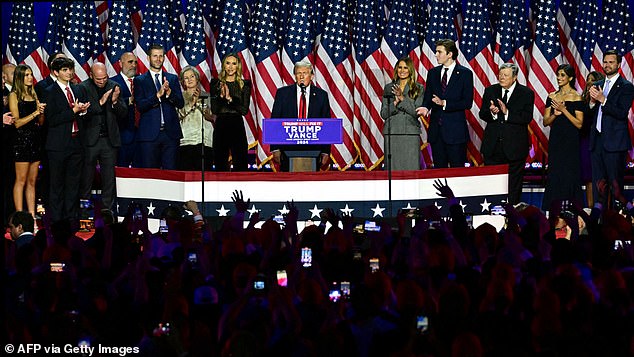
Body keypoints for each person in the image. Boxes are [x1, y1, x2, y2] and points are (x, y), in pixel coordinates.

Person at [43, 57, 90, 224]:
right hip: (58, 145)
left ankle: (71, 218)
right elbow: (52, 119)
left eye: (70, 69)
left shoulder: (78, 89)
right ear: (56, 72)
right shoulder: (49, 91)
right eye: (64, 70)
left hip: (76, 143)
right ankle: (56, 221)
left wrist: (82, 112)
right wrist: (74, 111)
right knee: (57, 185)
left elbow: (83, 115)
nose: (69, 72)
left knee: (73, 184)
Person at [479, 63, 535, 205]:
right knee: (491, 184)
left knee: (514, 186)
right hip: (493, 147)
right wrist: (492, 112)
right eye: (500, 74)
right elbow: (482, 114)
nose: (501, 77)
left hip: (514, 148)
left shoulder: (526, 93)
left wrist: (507, 113)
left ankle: (512, 216)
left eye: (505, 75)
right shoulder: (491, 90)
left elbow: (526, 117)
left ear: (514, 77)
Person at [77, 62, 127, 212]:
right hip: (90, 140)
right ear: (91, 75)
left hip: (109, 140)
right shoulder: (82, 88)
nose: (102, 81)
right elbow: (82, 115)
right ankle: (84, 211)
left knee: (109, 179)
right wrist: (101, 102)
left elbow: (123, 114)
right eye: (98, 79)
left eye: (104, 78)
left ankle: (106, 212)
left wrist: (114, 101)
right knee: (86, 177)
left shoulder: (114, 86)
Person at [416, 39, 473, 168]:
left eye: (439, 52)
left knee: (456, 172)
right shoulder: (433, 73)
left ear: (450, 54)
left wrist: (445, 103)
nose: (436, 54)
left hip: (455, 133)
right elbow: (428, 96)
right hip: (437, 133)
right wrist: (425, 107)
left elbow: (467, 102)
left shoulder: (465, 74)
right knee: (439, 171)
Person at [588, 50, 634, 208]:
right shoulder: (597, 85)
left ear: (619, 65)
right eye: (605, 62)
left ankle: (621, 219)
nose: (607, 65)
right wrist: (593, 103)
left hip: (615, 144)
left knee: (616, 188)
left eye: (611, 62)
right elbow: (591, 114)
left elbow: (621, 113)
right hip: (597, 142)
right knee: (599, 187)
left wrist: (603, 100)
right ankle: (598, 222)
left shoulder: (626, 87)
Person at [271, 60, 331, 172]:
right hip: (287, 148)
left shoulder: (321, 96)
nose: (301, 76)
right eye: (299, 73)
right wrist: (275, 148)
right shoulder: (283, 94)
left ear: (312, 76)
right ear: (295, 76)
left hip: (313, 148)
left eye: (305, 73)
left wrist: (325, 151)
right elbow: (275, 120)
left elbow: (326, 124)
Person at [541, 64, 584, 211]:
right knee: (555, 172)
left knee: (569, 173)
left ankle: (572, 209)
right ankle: (553, 208)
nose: (559, 78)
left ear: (570, 78)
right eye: (558, 75)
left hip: (571, 140)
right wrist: (555, 114)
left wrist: (564, 110)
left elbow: (579, 124)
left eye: (562, 75)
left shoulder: (576, 97)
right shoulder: (552, 96)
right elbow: (545, 122)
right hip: (556, 140)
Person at [134, 44, 184, 169]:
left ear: (164, 58)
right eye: (155, 56)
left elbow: (180, 103)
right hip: (149, 135)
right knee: (151, 175)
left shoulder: (172, 79)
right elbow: (140, 106)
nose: (158, 59)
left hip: (170, 134)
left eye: (161, 56)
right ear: (148, 58)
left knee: (171, 174)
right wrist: (157, 95)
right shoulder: (140, 80)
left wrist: (169, 93)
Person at [8, 64, 46, 217]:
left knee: (32, 181)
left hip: (35, 140)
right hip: (21, 141)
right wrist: (35, 112)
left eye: (31, 74)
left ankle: (31, 216)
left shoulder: (34, 93)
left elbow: (41, 122)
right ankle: (19, 217)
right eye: (27, 75)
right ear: (19, 77)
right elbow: (16, 123)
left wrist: (41, 113)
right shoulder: (14, 95)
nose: (30, 78)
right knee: (21, 180)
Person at [380, 57, 425, 171]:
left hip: (410, 134)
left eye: (405, 67)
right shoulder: (389, 88)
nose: (402, 70)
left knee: (411, 170)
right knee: (393, 171)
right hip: (392, 133)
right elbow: (384, 113)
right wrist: (395, 103)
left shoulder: (418, 88)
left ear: (410, 70)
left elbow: (416, 112)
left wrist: (402, 98)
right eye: (400, 67)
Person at [210, 54, 251, 172]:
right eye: (228, 63)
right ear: (223, 65)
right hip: (221, 125)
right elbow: (215, 110)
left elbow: (244, 110)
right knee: (220, 160)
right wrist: (221, 97)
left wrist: (230, 99)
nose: (231, 67)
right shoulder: (215, 83)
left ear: (238, 66)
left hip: (237, 124)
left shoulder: (245, 84)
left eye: (234, 63)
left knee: (241, 161)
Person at [178, 66, 215, 171]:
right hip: (186, 141)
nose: (189, 79)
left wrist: (200, 104)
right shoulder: (179, 97)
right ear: (183, 82)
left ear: (197, 79)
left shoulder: (208, 97)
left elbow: (213, 117)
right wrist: (191, 103)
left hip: (205, 142)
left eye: (192, 76)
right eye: (186, 78)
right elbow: (177, 116)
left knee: (204, 176)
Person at [580, 71, 605, 207]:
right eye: (588, 80)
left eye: (593, 80)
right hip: (585, 143)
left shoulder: (604, 100)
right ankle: (591, 210)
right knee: (589, 178)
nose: (590, 83)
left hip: (601, 143)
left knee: (601, 179)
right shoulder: (582, 101)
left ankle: (603, 211)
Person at [110, 52, 139, 168]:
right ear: (120, 64)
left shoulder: (142, 81)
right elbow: (109, 105)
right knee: (122, 170)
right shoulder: (112, 83)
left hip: (142, 135)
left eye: (135, 62)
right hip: (122, 135)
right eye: (130, 62)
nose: (133, 65)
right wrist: (129, 100)